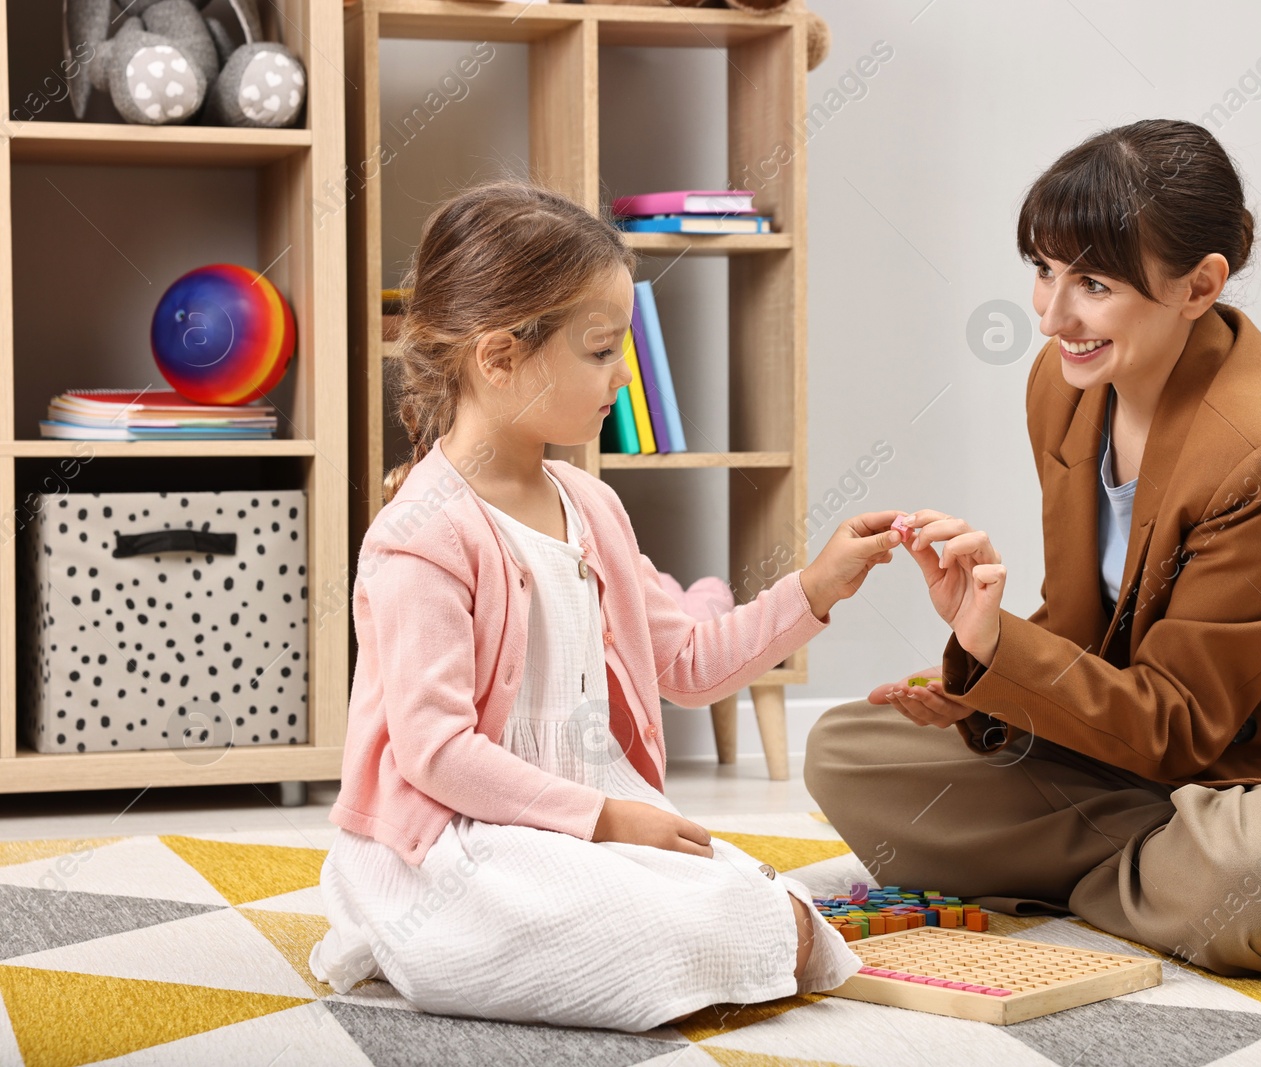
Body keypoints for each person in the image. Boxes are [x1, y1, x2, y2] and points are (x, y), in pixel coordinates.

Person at [804, 119, 1261, 986]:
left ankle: (1129, 870)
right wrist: (976, 681)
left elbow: (1179, 718)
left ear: (1200, 286)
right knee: (849, 751)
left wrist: (1005, 653)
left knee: (1258, 881)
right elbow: (1096, 625)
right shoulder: (1066, 384)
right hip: (1169, 772)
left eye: (1092, 282)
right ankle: (1154, 870)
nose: (1052, 316)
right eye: (1043, 272)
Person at [308, 180, 902, 1030]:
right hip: (456, 840)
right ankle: (423, 939)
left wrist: (815, 588)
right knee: (666, 924)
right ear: (499, 356)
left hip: (596, 816)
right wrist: (605, 819)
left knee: (749, 900)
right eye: (598, 351)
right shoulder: (421, 535)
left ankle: (727, 931)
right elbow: (438, 754)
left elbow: (688, 665)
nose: (621, 377)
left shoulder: (594, 507)